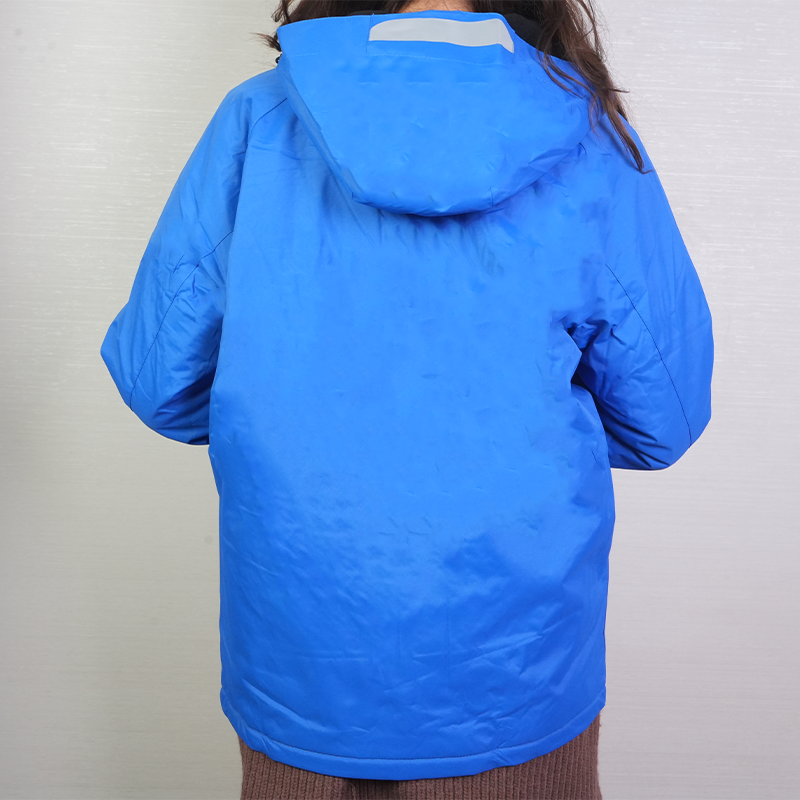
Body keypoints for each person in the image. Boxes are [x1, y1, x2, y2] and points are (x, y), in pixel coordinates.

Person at [100, 0, 714, 796]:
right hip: (514, 667)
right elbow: (664, 414)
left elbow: (160, 382)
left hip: (303, 661)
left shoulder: (259, 119)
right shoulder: (584, 131)